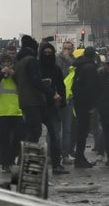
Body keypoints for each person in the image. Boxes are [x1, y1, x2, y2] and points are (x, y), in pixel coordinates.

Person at [39, 42, 68, 174]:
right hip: (37, 104)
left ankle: (56, 163)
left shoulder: (56, 69)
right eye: (45, 53)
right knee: (33, 135)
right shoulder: (36, 67)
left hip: (51, 105)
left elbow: (61, 85)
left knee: (55, 135)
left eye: (50, 53)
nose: (48, 55)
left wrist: (62, 99)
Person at [70, 47, 98, 168]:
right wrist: (92, 105)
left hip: (78, 101)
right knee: (83, 131)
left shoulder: (80, 66)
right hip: (85, 103)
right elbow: (91, 88)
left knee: (81, 130)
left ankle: (79, 157)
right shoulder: (90, 67)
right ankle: (80, 158)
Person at [57, 42, 76, 162]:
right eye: (65, 48)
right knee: (54, 129)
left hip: (69, 99)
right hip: (56, 98)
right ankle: (52, 154)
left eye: (69, 49)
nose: (66, 51)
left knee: (67, 129)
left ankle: (65, 155)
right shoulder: (56, 60)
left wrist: (68, 59)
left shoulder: (74, 61)